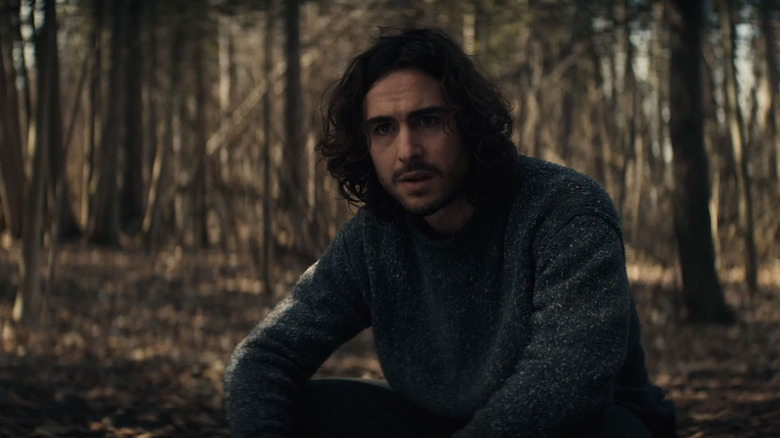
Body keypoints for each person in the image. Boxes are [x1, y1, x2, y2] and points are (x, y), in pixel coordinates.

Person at [224, 27, 676, 438]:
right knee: (310, 408)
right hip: (440, 423)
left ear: (469, 123)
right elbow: (265, 356)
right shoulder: (373, 238)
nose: (407, 151)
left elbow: (568, 377)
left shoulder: (565, 209)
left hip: (581, 424)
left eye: (428, 120)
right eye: (384, 128)